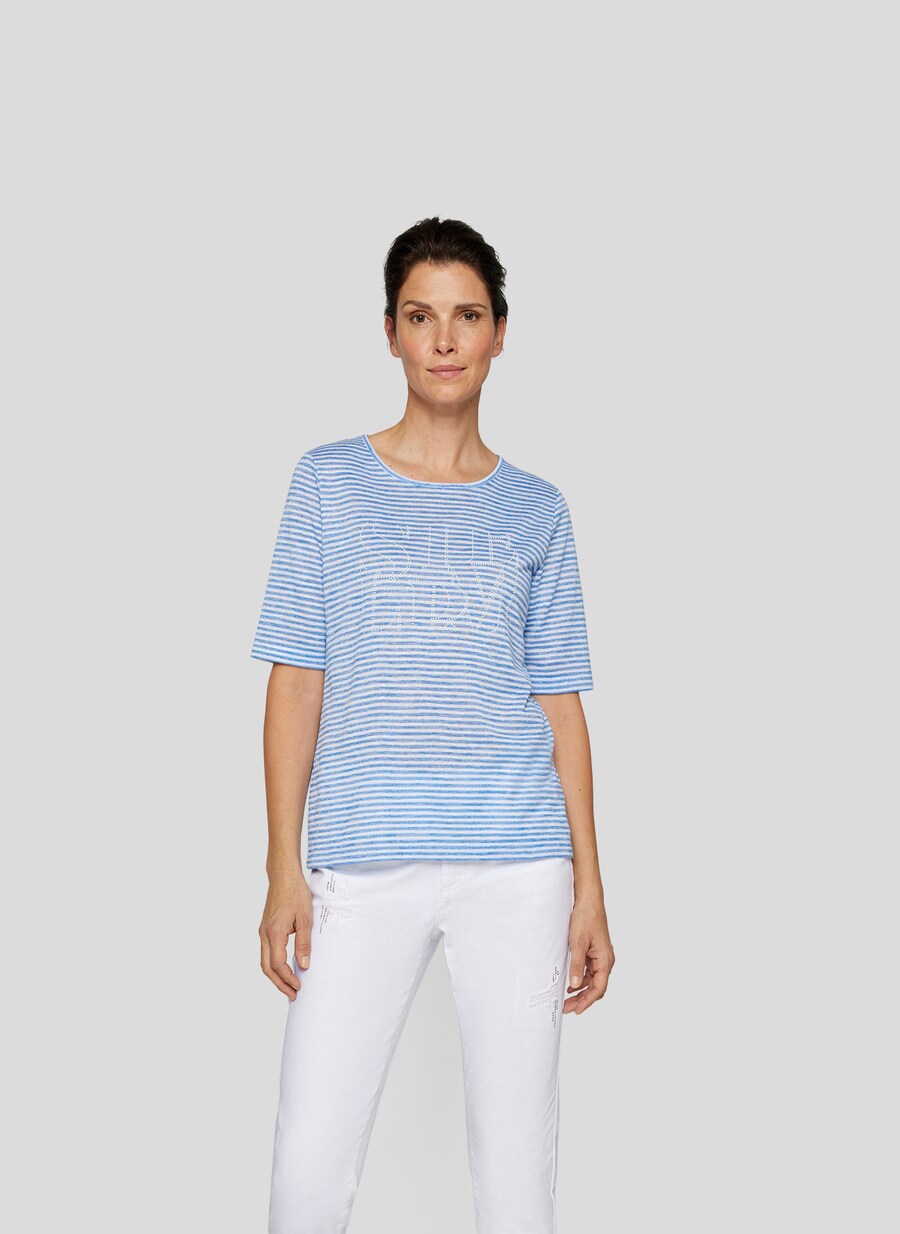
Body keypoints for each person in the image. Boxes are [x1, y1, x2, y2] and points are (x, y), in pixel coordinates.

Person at [251, 216, 615, 1234]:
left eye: (467, 316)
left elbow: (559, 701)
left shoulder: (538, 510)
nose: (445, 339)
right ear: (390, 333)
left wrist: (591, 886)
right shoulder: (327, 483)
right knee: (307, 1172)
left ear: (500, 332)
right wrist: (282, 866)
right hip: (362, 858)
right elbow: (296, 680)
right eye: (421, 317)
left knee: (517, 1178)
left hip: (520, 864)